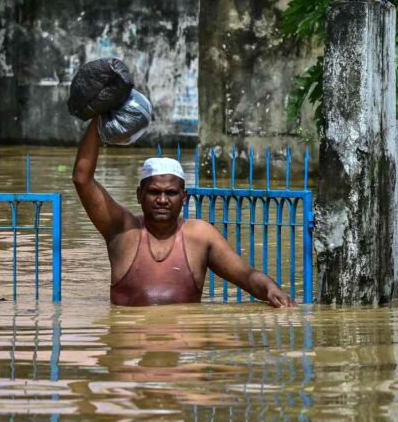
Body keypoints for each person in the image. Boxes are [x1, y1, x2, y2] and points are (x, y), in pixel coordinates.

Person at [72, 119, 294, 307]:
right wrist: (98, 119)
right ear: (139, 195)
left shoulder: (199, 235)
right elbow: (82, 180)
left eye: (170, 193)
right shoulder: (122, 229)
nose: (162, 200)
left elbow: (246, 275)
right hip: (130, 345)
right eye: (154, 192)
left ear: (184, 197)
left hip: (184, 340)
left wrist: (271, 289)